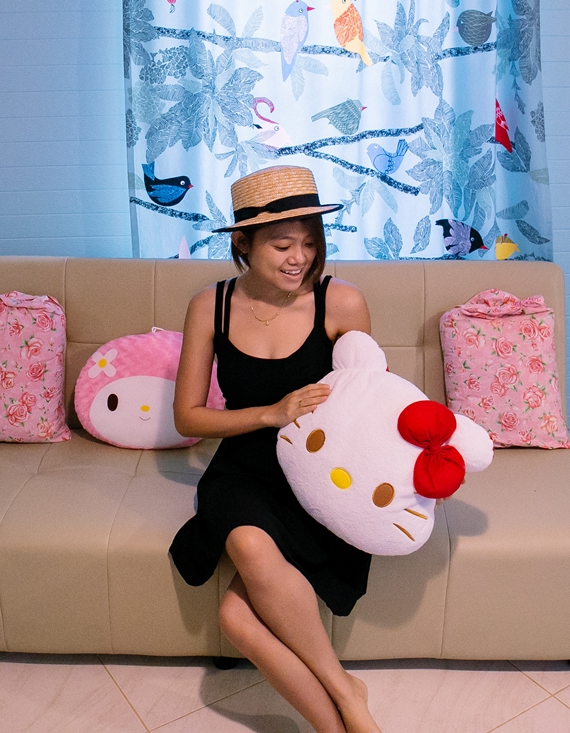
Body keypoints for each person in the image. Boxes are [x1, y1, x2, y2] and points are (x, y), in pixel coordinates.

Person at [170, 166, 382, 733]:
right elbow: (187, 416)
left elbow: (369, 402)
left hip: (318, 471)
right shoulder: (210, 305)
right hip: (243, 469)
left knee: (237, 620)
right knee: (248, 543)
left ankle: (336, 717)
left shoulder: (341, 302)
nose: (299, 259)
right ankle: (345, 694)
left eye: (309, 244)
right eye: (283, 245)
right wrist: (270, 413)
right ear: (243, 243)